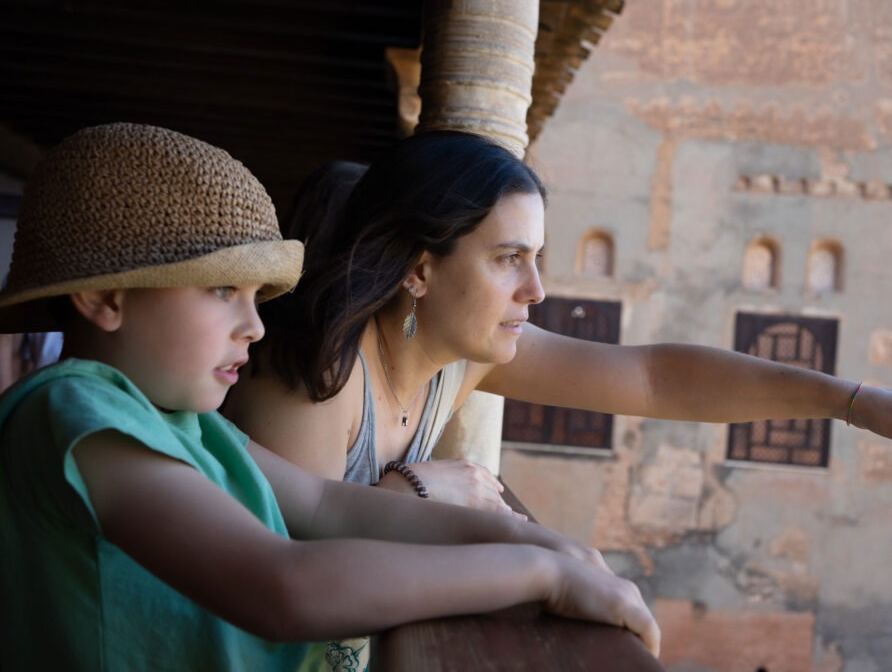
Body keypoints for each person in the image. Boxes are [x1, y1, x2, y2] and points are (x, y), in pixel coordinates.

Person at [0, 123, 661, 672]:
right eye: (222, 290)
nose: (255, 326)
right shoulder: (75, 415)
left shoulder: (181, 423)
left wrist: (537, 542)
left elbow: (326, 503)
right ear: (106, 298)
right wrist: (540, 576)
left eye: (256, 298)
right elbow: (282, 584)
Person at [224, 129, 892, 518]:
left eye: (537, 256)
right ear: (422, 268)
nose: (537, 288)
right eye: (509, 259)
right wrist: (423, 488)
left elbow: (655, 376)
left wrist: (856, 402)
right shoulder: (313, 379)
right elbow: (302, 578)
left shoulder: (454, 357)